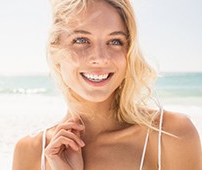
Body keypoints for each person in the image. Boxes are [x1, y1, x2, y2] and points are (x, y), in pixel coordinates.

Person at [12, 0, 202, 169]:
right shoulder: (31, 152)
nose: (100, 58)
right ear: (55, 52)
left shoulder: (170, 135)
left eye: (115, 41)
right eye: (81, 40)